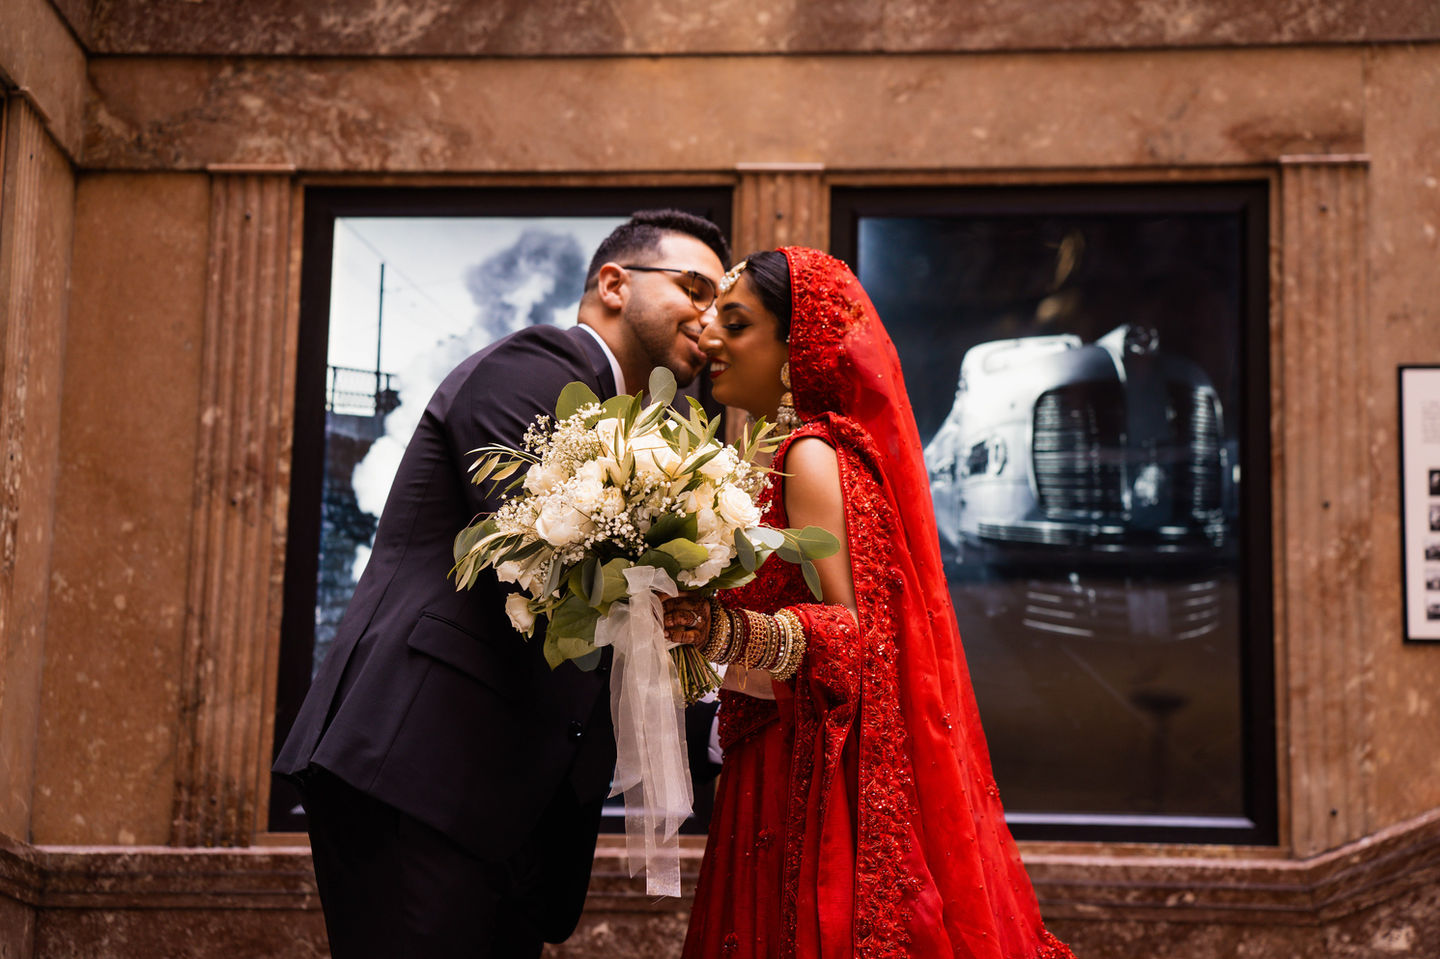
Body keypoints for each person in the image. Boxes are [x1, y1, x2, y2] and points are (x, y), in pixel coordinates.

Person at [273, 209, 730, 958]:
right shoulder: (537, 363)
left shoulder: (655, 420)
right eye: (693, 288)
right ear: (614, 283)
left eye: (721, 304)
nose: (708, 321)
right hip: (419, 768)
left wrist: (712, 724)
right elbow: (551, 554)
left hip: (509, 810)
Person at [662, 247, 1075, 958]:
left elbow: (855, 640)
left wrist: (721, 629)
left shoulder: (810, 453)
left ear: (796, 349)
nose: (711, 340)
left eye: (737, 323)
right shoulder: (791, 451)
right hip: (769, 760)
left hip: (804, 789)